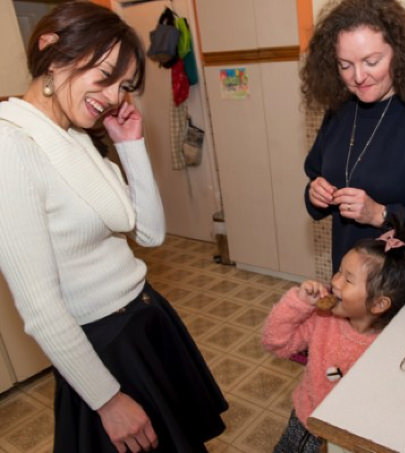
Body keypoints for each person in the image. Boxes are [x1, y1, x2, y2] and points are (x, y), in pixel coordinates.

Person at [0, 3, 227, 452]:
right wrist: (107, 401)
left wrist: (132, 147)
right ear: (52, 49)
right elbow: (41, 310)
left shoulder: (74, 136)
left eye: (124, 87)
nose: (114, 97)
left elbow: (149, 234)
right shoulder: (12, 147)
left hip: (143, 321)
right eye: (105, 77)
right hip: (104, 350)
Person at [303, 0, 405, 273]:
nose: (358, 77)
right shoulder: (338, 113)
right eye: (345, 65)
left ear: (399, 53)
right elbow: (315, 180)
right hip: (351, 287)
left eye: (372, 61)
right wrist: (315, 195)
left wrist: (380, 214)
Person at [262, 218, 405, 452]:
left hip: (345, 437)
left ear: (379, 304)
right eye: (339, 271)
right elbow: (276, 344)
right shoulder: (323, 318)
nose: (335, 282)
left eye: (348, 278)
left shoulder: (388, 347)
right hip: (304, 421)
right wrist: (298, 303)